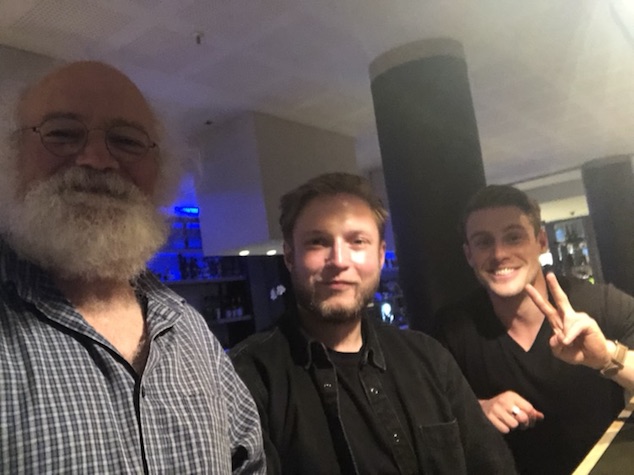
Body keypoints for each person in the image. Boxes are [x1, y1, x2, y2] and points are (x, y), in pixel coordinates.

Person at [0, 61, 265, 473]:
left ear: (159, 171)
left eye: (126, 141)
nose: (96, 159)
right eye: (62, 133)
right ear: (11, 156)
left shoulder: (191, 331)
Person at [230, 172, 516, 474]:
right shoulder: (249, 378)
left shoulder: (429, 359)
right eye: (317, 242)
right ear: (290, 257)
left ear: (380, 255)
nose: (339, 260)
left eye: (357, 241)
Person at [434, 184, 634, 474]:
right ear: (469, 255)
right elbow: (430, 413)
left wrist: (606, 357)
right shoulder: (452, 327)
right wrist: (478, 409)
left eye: (513, 237)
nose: (499, 253)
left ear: (541, 241)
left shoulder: (602, 304)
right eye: (483, 242)